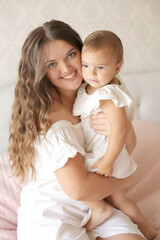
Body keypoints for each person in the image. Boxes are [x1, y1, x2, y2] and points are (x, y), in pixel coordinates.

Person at [9, 19, 146, 240]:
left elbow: (126, 146)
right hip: (54, 214)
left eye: (71, 55)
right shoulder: (48, 115)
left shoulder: (95, 92)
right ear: (40, 71)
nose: (67, 69)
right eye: (51, 64)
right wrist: (125, 180)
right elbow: (79, 189)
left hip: (98, 205)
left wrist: (123, 127)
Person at [73, 30, 157, 239]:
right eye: (86, 65)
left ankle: (147, 230)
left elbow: (120, 130)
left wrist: (108, 161)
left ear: (117, 67)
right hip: (100, 152)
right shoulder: (90, 86)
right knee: (115, 198)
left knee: (118, 199)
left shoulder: (108, 94)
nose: (91, 73)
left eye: (100, 67)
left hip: (107, 155)